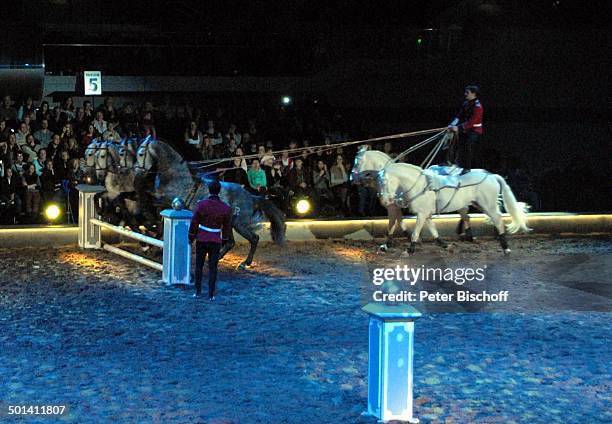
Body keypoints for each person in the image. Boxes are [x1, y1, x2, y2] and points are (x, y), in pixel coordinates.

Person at [188, 180, 232, 300]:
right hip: (215, 240)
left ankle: (197, 292)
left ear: (209, 190)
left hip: (202, 238)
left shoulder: (201, 204)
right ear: (219, 191)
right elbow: (227, 227)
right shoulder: (225, 208)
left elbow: (194, 222)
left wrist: (191, 237)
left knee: (199, 266)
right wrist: (223, 240)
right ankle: (211, 294)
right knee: (213, 268)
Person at [448, 85, 484, 174]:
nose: (465, 94)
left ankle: (467, 167)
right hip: (466, 129)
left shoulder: (478, 106)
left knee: (467, 147)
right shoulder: (466, 103)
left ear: (474, 94)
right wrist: (452, 124)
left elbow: (472, 121)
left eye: (467, 92)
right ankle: (451, 162)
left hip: (474, 130)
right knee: (455, 144)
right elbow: (459, 116)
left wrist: (458, 128)